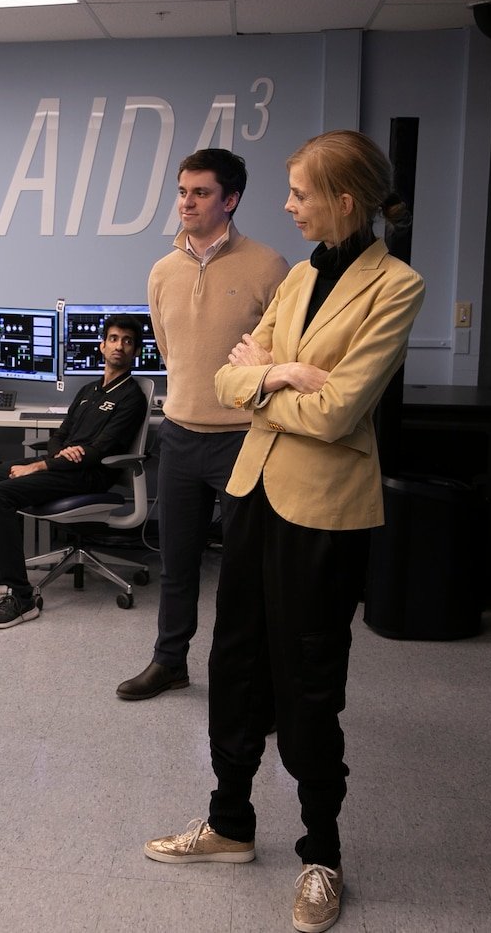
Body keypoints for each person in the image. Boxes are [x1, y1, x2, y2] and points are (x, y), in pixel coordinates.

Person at [144, 130, 424, 933]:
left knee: (307, 681)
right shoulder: (298, 276)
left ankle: (321, 855)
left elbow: (340, 413)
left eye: (300, 192)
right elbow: (229, 379)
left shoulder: (396, 287)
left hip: (326, 510)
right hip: (256, 489)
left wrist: (265, 380)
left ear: (344, 199)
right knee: (235, 660)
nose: (289, 203)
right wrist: (279, 373)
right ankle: (230, 822)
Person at [117, 148, 289, 701]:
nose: (187, 203)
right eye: (183, 192)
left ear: (231, 200)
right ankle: (169, 662)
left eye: (201, 193)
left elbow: (277, 355)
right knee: (177, 565)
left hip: (245, 439)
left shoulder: (268, 266)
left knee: (245, 574)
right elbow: (171, 351)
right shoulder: (162, 271)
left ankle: (244, 680)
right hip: (180, 436)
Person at [0, 314, 149, 629]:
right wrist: (58, 452)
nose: (119, 346)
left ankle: (23, 598)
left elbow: (98, 451)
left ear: (135, 351)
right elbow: (62, 433)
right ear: (102, 345)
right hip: (63, 466)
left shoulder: (132, 398)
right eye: (113, 339)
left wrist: (40, 464)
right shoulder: (88, 390)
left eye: (127, 341)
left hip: (89, 475)